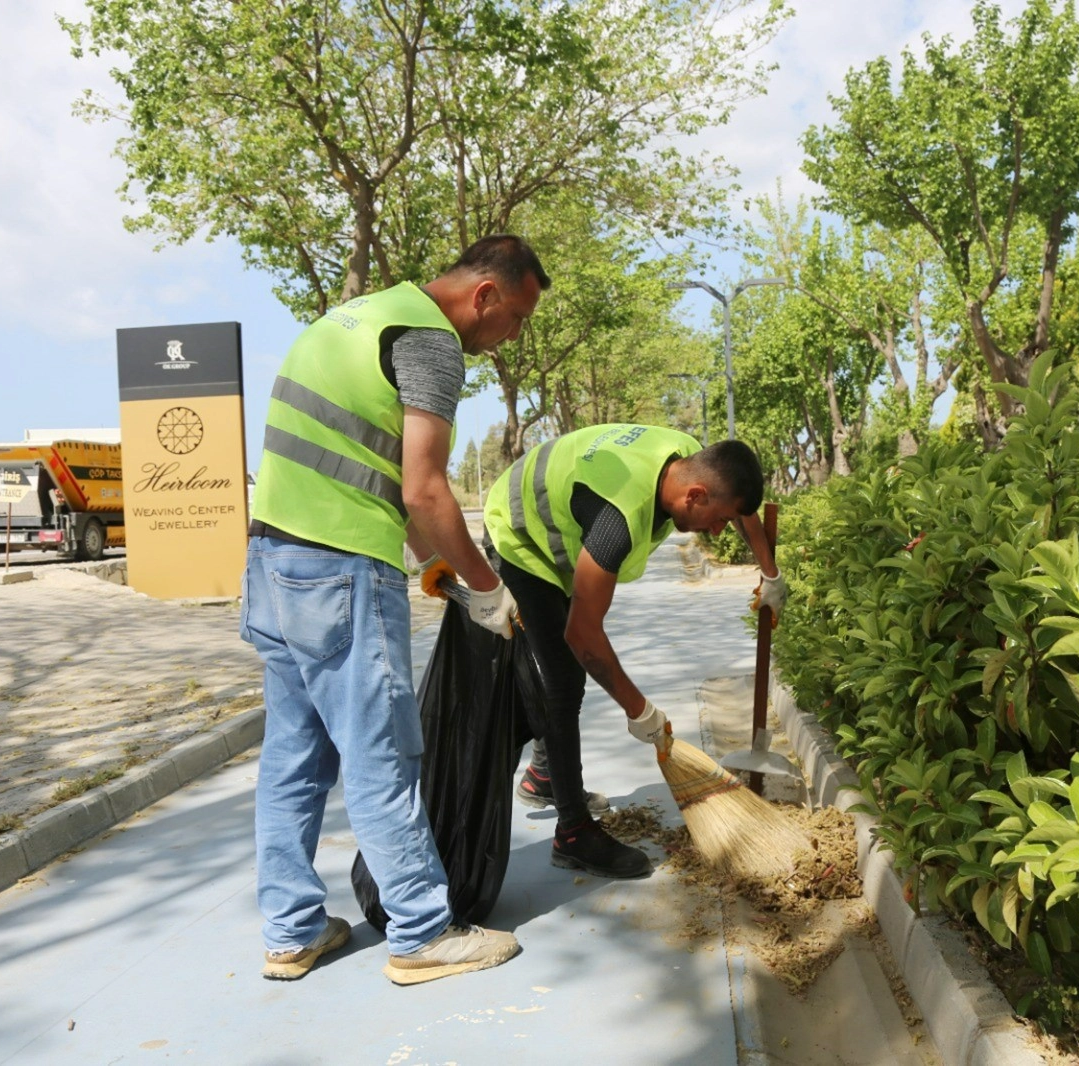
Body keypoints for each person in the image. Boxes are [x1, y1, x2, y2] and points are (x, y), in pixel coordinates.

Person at [240, 235, 549, 985]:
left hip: (271, 566)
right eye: (513, 318)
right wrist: (484, 586)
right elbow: (425, 488)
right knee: (381, 753)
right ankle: (420, 931)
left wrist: (437, 565)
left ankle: (292, 932)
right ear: (484, 294)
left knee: (293, 759)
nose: (509, 339)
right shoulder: (430, 343)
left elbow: (366, 468)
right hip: (342, 571)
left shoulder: (351, 320)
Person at [428, 423, 785, 879]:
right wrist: (640, 710)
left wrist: (769, 573)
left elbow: (740, 506)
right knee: (562, 678)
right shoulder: (618, 518)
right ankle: (573, 833)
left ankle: (543, 776)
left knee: (560, 672)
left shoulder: (694, 459)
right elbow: (583, 634)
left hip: (562, 515)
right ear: (695, 495)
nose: (717, 531)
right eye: (717, 520)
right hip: (520, 534)